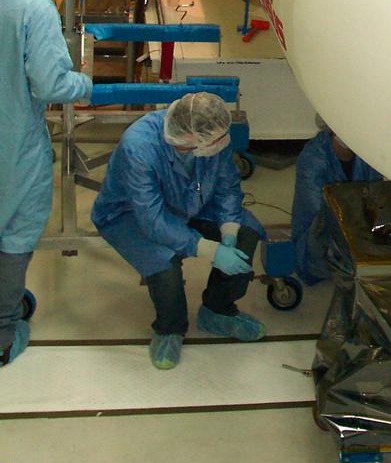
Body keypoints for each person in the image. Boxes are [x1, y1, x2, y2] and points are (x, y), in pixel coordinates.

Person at [91, 91, 266, 369]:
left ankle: (217, 310)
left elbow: (227, 185)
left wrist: (229, 230)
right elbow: (151, 219)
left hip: (188, 201)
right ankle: (169, 329)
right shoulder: (139, 147)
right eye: (216, 140)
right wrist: (208, 248)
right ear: (187, 139)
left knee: (247, 231)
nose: (223, 144)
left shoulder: (209, 135)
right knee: (163, 260)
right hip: (129, 213)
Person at [0, 0, 93, 369]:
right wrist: (85, 83)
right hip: (11, 146)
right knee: (12, 237)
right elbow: (53, 84)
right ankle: (1, 332)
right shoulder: (32, 8)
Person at [291, 124, 382, 284]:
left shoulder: (366, 153)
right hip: (318, 234)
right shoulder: (313, 159)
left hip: (355, 226)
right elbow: (319, 211)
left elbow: (377, 194)